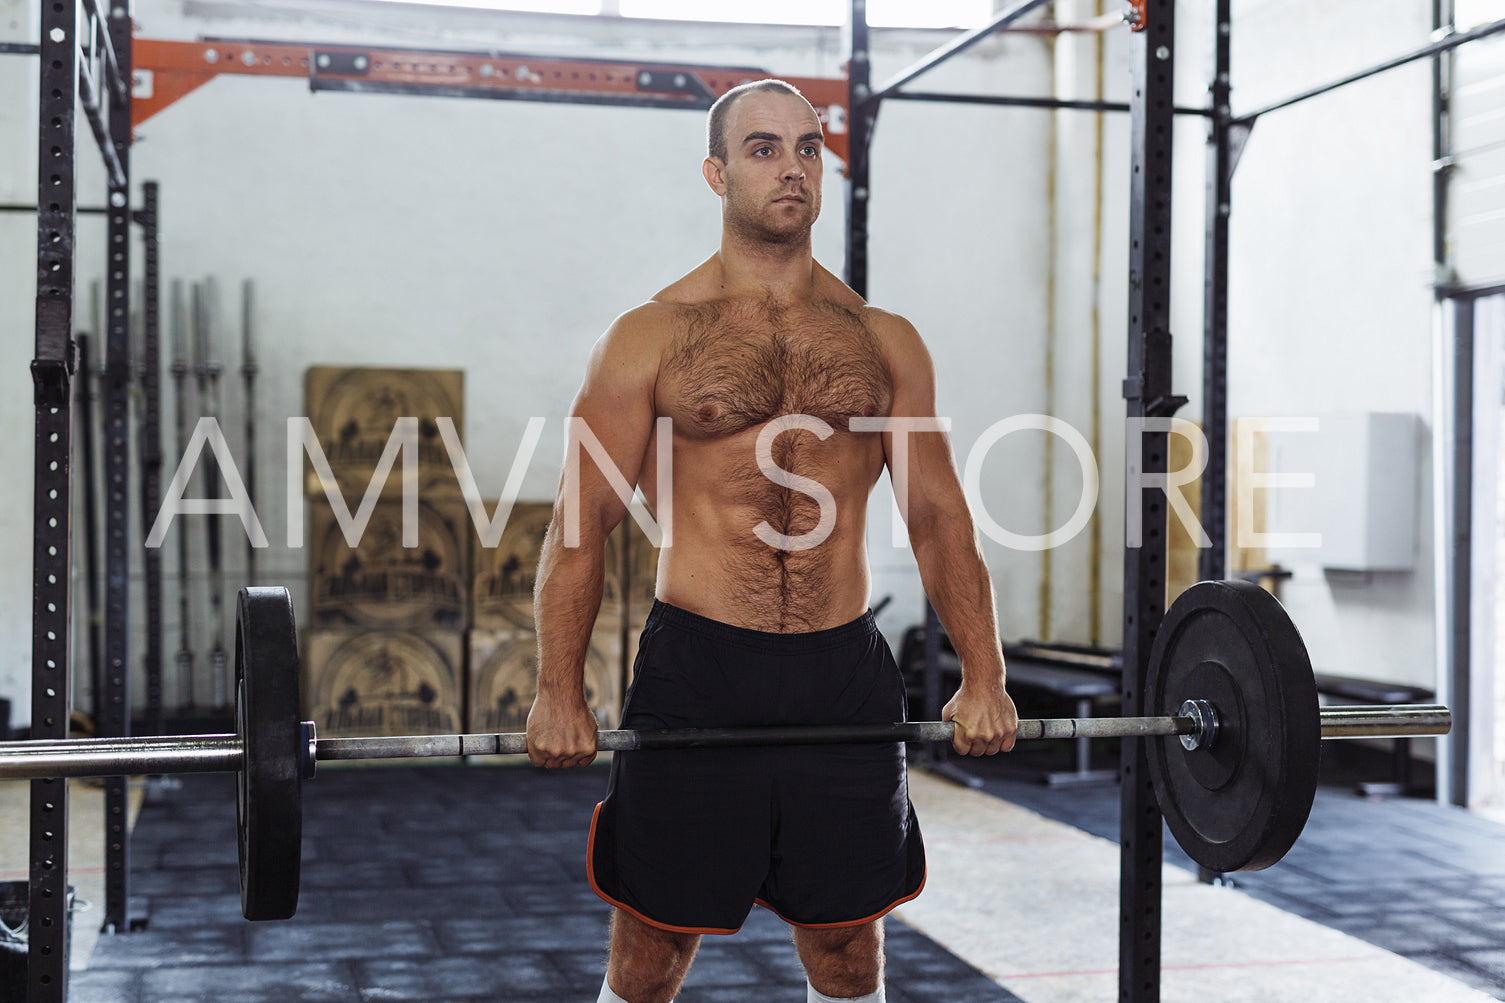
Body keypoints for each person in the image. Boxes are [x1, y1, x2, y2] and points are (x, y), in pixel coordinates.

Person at [526, 78, 1019, 1003]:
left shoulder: (885, 341)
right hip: (698, 667)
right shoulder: (648, 337)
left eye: (806, 147)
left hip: (840, 668)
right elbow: (579, 524)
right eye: (762, 149)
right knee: (650, 951)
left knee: (846, 949)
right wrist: (559, 688)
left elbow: (937, 516)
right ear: (716, 174)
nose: (790, 167)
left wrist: (984, 673)